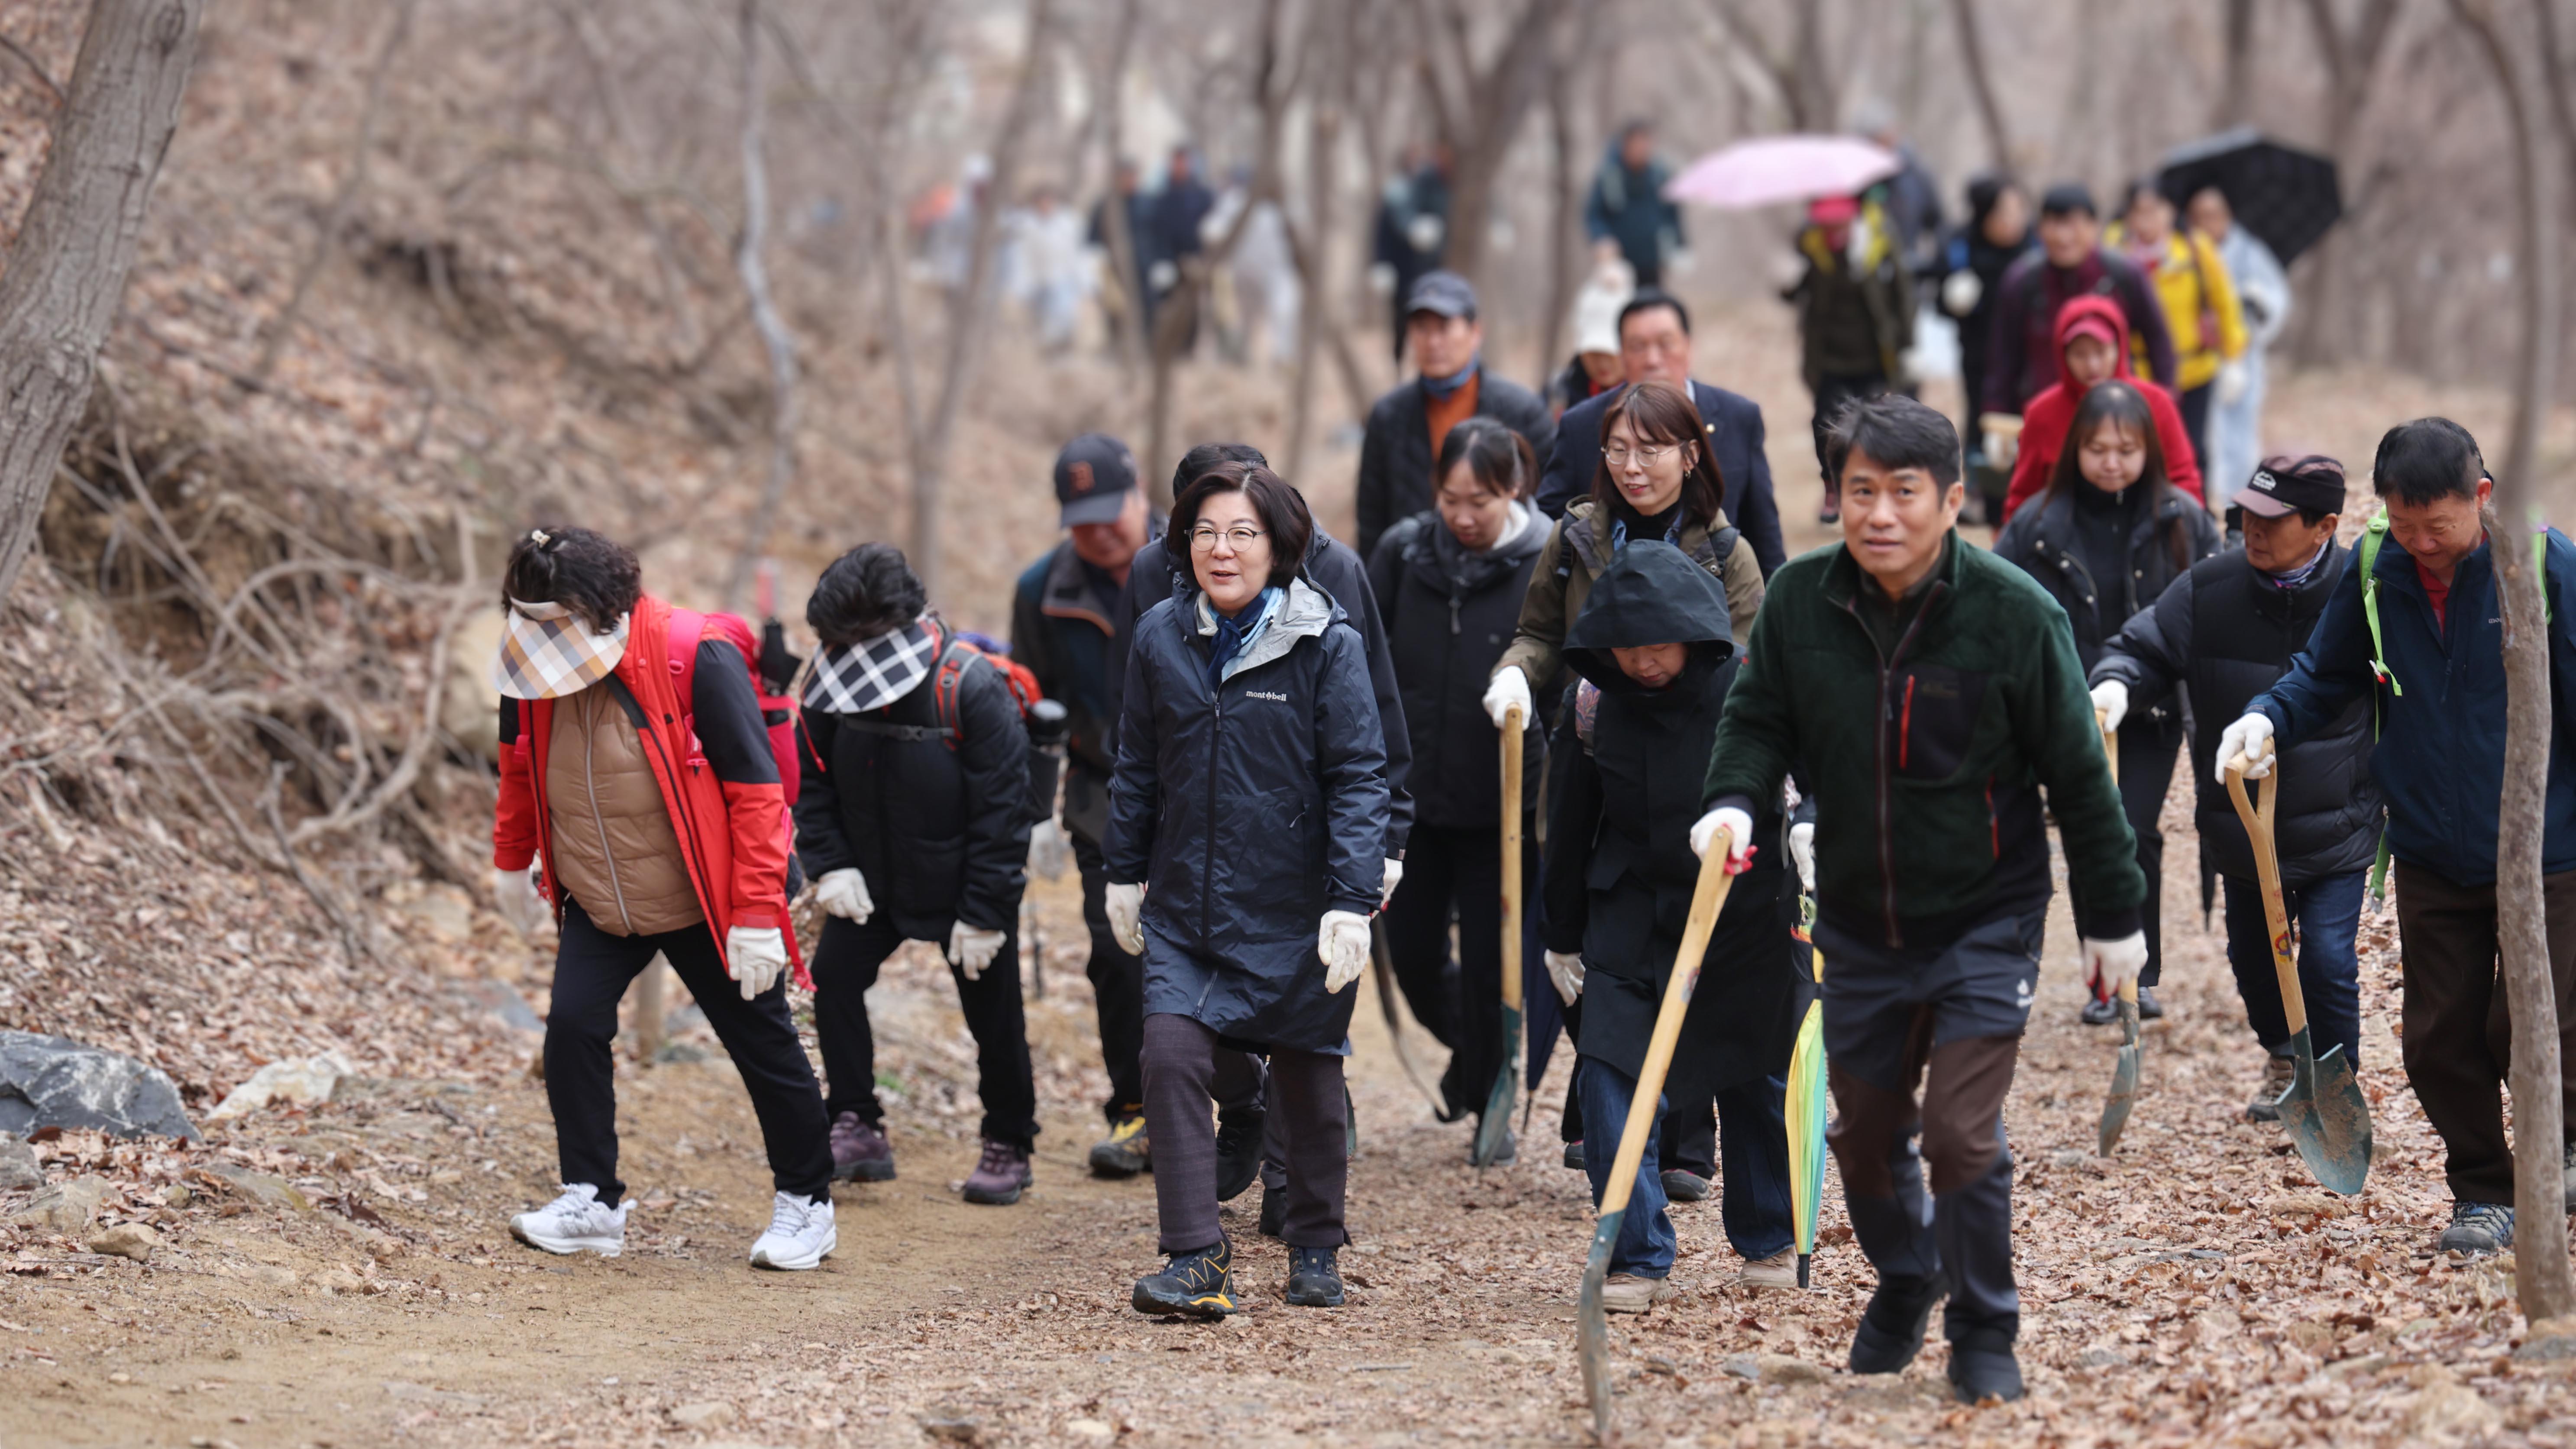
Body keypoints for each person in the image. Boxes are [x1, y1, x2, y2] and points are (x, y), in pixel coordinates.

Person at [1697, 395, 2146, 1404]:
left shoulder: (2011, 615)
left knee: (1956, 1134)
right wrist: (1730, 804)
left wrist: (2115, 919)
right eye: (1860, 491)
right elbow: (1755, 719)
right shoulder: (1800, 602)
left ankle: (1984, 1327)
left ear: (1951, 502)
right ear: (1835, 498)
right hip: (1856, 919)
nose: (1879, 515)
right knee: (1858, 1130)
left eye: (1903, 493)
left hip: (1984, 914)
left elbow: (2077, 776)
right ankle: (1907, 1274)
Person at [2223, 418, 2576, 1258]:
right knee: (2434, 1036)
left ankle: (2557, 1145)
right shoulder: (2380, 569)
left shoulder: (2542, 564)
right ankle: (2482, 1188)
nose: (2422, 543)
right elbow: (2325, 668)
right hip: (2429, 846)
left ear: (2480, 498)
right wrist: (2263, 718)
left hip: (2548, 846)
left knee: (2539, 1021)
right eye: (2404, 523)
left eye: (2439, 526)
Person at [490, 527, 837, 1271]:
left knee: (763, 1044)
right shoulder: (528, 666)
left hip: (703, 894)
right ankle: (592, 1200)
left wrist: (753, 915)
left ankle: (808, 1202)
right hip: (600, 891)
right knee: (573, 1032)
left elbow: (754, 792)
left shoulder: (693, 654)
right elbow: (518, 767)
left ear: (601, 608)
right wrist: (508, 862)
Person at [1106, 460, 1390, 1317]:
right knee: (1168, 1055)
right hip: (1187, 905)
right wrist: (1122, 873)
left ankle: (1314, 1242)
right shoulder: (1159, 635)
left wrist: (1351, 895)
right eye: (1203, 532)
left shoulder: (1325, 641)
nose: (1220, 550)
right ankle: (1196, 1258)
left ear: (1280, 546)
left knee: (1307, 1076)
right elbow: (1136, 764)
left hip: (1295, 905)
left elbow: (1359, 774)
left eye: (1241, 533)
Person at [1543, 541, 1800, 1311]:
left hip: (1740, 909)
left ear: (1693, 631)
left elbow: (1811, 785)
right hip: (1627, 911)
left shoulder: (1751, 690)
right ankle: (1636, 1250)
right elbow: (1568, 823)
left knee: (1751, 1074)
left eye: (1656, 644)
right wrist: (1559, 935)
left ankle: (1768, 1233)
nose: (1641, 662)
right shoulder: (1590, 705)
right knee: (1605, 1075)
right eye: (1624, 647)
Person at [2088, 456, 2377, 1117]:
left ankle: (2334, 1086)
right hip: (2242, 824)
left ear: (2325, 526)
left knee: (2327, 961)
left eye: (2273, 520)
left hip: (2337, 821)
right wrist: (2114, 682)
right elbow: (2143, 646)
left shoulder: (2360, 593)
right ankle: (2282, 1055)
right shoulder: (2208, 589)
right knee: (2253, 956)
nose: (2254, 529)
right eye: (2248, 513)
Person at [792, 544, 1039, 1204]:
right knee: (836, 981)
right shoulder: (827, 689)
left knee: (993, 1014)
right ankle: (856, 1121)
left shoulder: (969, 688)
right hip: (871, 879)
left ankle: (1009, 1139)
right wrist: (831, 865)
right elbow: (808, 781)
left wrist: (987, 909)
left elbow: (1005, 811)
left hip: (965, 881)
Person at [1995, 382, 2220, 1023]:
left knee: (2133, 828)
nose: (2113, 461)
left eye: (2127, 448)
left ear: (2149, 448)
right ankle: (2102, 973)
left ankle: (2138, 971)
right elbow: (1994, 596)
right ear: (2076, 449)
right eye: (2098, 448)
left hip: (2147, 710)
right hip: (2063, 709)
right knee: (2087, 830)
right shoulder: (2038, 522)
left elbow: (2213, 600)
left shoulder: (2182, 517)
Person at [1367, 418, 1551, 1140]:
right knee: (1411, 955)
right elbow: (1361, 655)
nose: (1464, 516)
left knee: (1487, 964)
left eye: (1481, 499)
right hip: (1410, 800)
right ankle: (1472, 1057)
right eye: (1451, 498)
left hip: (1498, 805)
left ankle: (1484, 1096)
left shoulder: (1544, 559)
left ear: (1514, 488)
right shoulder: (1404, 551)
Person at [1012, 435, 1164, 1177]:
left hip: (1210, 785)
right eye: (1082, 519)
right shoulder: (1043, 588)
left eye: (1112, 512)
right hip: (1104, 791)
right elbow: (1031, 705)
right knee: (1117, 953)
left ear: (1140, 495)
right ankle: (1136, 1111)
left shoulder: (1202, 554)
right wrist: (1037, 808)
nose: (1100, 531)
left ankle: (1261, 1114)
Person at [1490, 380, 1767, 734]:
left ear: (1690, 455)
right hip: (1590, 746)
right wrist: (1516, 671)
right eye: (1617, 450)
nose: (1630, 468)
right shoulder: (1573, 538)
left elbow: (1746, 664)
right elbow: (1539, 634)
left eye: (1649, 451)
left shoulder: (1726, 554)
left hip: (1693, 749)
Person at [1536, 290, 1787, 577]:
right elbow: (1549, 524)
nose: (1653, 360)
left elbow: (1763, 530)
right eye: (1638, 346)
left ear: (1688, 346)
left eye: (1666, 344)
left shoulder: (1738, 416)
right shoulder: (1581, 424)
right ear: (1621, 355)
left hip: (1719, 595)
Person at [1354, 271, 1555, 558]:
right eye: (1421, 328)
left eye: (1444, 327)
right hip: (1414, 572)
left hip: (1505, 567)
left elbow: (1549, 503)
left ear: (1475, 332)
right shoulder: (1388, 415)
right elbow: (1372, 517)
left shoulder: (1521, 411)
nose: (1432, 342)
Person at [2000, 294, 2204, 523]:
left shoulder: (2157, 404)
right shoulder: (2042, 413)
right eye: (2080, 354)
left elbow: (2184, 481)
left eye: (2101, 351)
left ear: (2120, 347)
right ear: (2062, 354)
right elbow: (2023, 495)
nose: (2092, 365)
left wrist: (2182, 534)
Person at [1982, 183, 2177, 418]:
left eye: (2074, 225)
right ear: (2039, 230)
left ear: (2095, 227)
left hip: (2116, 413)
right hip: (2045, 414)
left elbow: (2159, 342)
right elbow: (2003, 358)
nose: (2064, 237)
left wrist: (2165, 401)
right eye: (2054, 224)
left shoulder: (2124, 274)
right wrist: (1996, 415)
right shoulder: (2022, 281)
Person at [1786, 193, 1916, 524]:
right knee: (1824, 424)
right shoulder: (1811, 248)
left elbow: (1902, 290)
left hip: (1874, 355)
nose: (1832, 229)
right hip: (1828, 356)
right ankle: (1832, 484)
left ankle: (1872, 489)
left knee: (1875, 424)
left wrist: (1907, 343)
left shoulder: (1878, 241)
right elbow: (1801, 293)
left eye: (1838, 221)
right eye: (1826, 223)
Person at [2106, 181, 2246, 473]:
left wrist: (2234, 357)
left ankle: (2197, 512)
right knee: (2139, 447)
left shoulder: (2195, 249)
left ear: (2171, 211)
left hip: (2193, 370)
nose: (2146, 221)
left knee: (2192, 448)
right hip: (2135, 370)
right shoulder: (2114, 252)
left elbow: (2225, 302)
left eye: (2154, 211)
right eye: (2138, 212)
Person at [1935, 174, 2034, 518]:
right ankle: (1982, 494)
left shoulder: (2033, 249)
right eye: (2003, 213)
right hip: (1979, 354)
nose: (2013, 221)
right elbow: (1938, 299)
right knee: (1982, 418)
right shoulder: (1961, 246)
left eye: (2017, 210)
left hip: (2028, 355)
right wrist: (1955, 298)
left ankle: (2025, 489)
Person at [2188, 187, 2292, 511]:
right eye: (2200, 216)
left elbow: (2277, 299)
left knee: (2240, 429)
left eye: (2214, 215)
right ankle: (2209, 497)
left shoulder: (2249, 252)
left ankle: (2240, 499)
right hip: (2199, 356)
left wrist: (2256, 302)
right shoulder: (2186, 252)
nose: (2209, 224)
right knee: (2203, 432)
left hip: (2242, 358)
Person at [1372, 142, 1453, 359]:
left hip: (1430, 268)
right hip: (1402, 269)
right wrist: (1381, 263)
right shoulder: (1396, 192)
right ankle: (1398, 363)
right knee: (1401, 320)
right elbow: (1384, 231)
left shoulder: (1433, 186)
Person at [1584, 121, 1686, 288]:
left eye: (1645, 143)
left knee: (1651, 307)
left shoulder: (1660, 176)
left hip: (1653, 260)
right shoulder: (1609, 177)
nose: (1641, 149)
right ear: (1625, 145)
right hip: (1619, 263)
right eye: (1636, 144)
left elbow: (1672, 214)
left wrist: (1680, 246)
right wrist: (1601, 238)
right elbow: (1594, 214)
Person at [1851, 98, 1945, 278]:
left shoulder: (1915, 173)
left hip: (1909, 267)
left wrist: (1936, 260)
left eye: (1885, 139)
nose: (1881, 147)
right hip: (1865, 272)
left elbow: (1938, 222)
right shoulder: (1854, 181)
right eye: (1873, 142)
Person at [1550, 258, 1632, 419]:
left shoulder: (1658, 394)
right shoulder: (1560, 392)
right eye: (1593, 354)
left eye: (1610, 354)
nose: (1602, 364)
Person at [1089, 158, 1158, 345]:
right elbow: (1092, 238)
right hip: (1113, 269)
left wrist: (1160, 261)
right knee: (1115, 310)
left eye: (1132, 176)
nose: (1128, 181)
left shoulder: (1149, 203)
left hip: (1144, 267)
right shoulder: (1104, 205)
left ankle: (1145, 346)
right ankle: (1116, 345)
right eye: (1124, 176)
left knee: (1147, 309)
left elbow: (1159, 234)